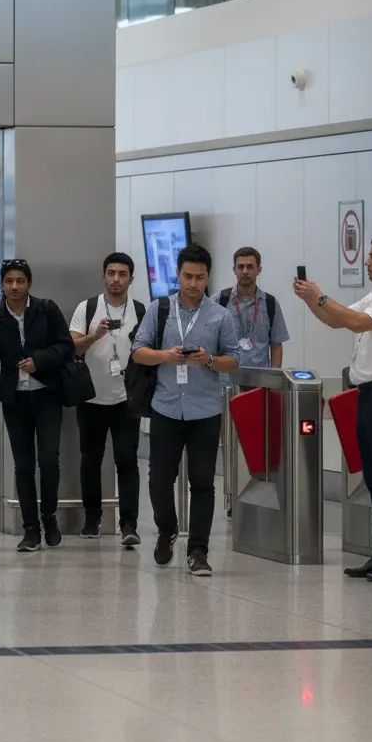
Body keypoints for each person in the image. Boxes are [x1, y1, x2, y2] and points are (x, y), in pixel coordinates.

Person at [295, 235, 372, 582]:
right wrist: (311, 301)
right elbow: (339, 320)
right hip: (370, 394)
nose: (367, 262)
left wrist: (320, 295)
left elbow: (357, 323)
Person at [131, 244, 239, 577]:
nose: (193, 283)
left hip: (205, 409)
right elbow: (138, 352)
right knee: (159, 480)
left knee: (203, 481)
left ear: (208, 277)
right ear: (178, 274)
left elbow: (233, 362)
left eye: (200, 277)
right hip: (165, 407)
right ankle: (166, 528)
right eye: (188, 276)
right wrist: (165, 356)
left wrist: (207, 359)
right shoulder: (158, 309)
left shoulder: (220, 315)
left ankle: (198, 550)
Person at [0, 258, 73, 553]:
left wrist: (39, 360)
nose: (15, 286)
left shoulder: (47, 310)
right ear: (2, 285)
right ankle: (30, 528)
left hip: (47, 395)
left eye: (20, 281)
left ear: (29, 283)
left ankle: (49, 516)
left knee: (48, 459)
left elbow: (66, 346)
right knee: (22, 465)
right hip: (14, 401)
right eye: (9, 281)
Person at [69, 253, 146, 545]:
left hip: (127, 400)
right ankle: (92, 518)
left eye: (122, 274)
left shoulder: (141, 310)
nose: (116, 279)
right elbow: (72, 348)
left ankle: (129, 524)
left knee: (127, 461)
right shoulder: (87, 308)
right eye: (111, 273)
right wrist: (93, 335)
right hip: (91, 398)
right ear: (104, 276)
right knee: (91, 460)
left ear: (130, 279)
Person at [218, 247, 289, 368]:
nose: (245, 271)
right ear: (234, 270)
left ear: (259, 270)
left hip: (260, 380)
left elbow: (276, 345)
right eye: (240, 267)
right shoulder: (219, 301)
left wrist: (274, 381)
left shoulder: (270, 303)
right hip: (227, 380)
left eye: (250, 266)